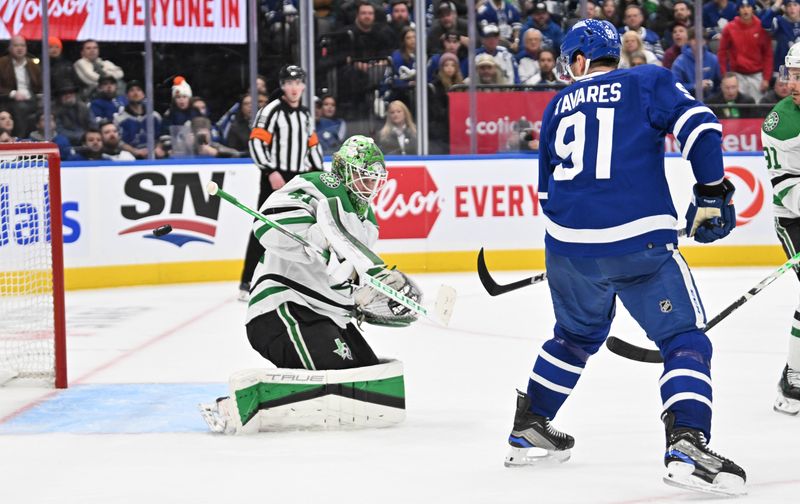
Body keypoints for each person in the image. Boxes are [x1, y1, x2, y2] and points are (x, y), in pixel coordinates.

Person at [505, 19, 746, 497]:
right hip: (640, 247)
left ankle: (529, 424)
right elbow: (700, 127)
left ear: (576, 61)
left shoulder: (555, 106)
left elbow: (546, 191)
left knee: (574, 337)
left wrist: (583, 243)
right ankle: (687, 441)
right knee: (683, 339)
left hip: (566, 249)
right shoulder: (646, 79)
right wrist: (712, 190)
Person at [199, 135, 419, 434]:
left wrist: (367, 297)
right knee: (336, 379)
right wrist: (315, 238)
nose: (369, 187)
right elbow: (267, 224)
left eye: (375, 180)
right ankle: (231, 404)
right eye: (363, 178)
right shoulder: (317, 184)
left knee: (368, 377)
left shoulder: (368, 224)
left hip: (327, 317)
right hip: (283, 308)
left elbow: (343, 280)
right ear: (343, 169)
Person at [241, 65, 324, 300]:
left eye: (298, 83)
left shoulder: (306, 114)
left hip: (298, 177)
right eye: (289, 83)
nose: (294, 88)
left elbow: (312, 146)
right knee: (263, 224)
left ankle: (299, 278)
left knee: (302, 226)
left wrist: (318, 174)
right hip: (275, 178)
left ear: (304, 86)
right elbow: (256, 142)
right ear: (282, 86)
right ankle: (246, 281)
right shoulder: (271, 110)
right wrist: (269, 171)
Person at [760, 42, 800, 416]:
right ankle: (795, 379)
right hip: (794, 218)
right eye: (793, 74)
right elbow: (786, 186)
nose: (796, 84)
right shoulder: (781, 123)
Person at [0, 35, 42, 137]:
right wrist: (12, 94)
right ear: (10, 48)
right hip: (9, 100)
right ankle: (20, 139)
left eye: (22, 45)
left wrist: (41, 94)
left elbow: (39, 86)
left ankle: (42, 139)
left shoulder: (33, 64)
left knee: (47, 107)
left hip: (31, 98)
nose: (20, 48)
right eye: (16, 45)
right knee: (20, 108)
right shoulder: (2, 63)